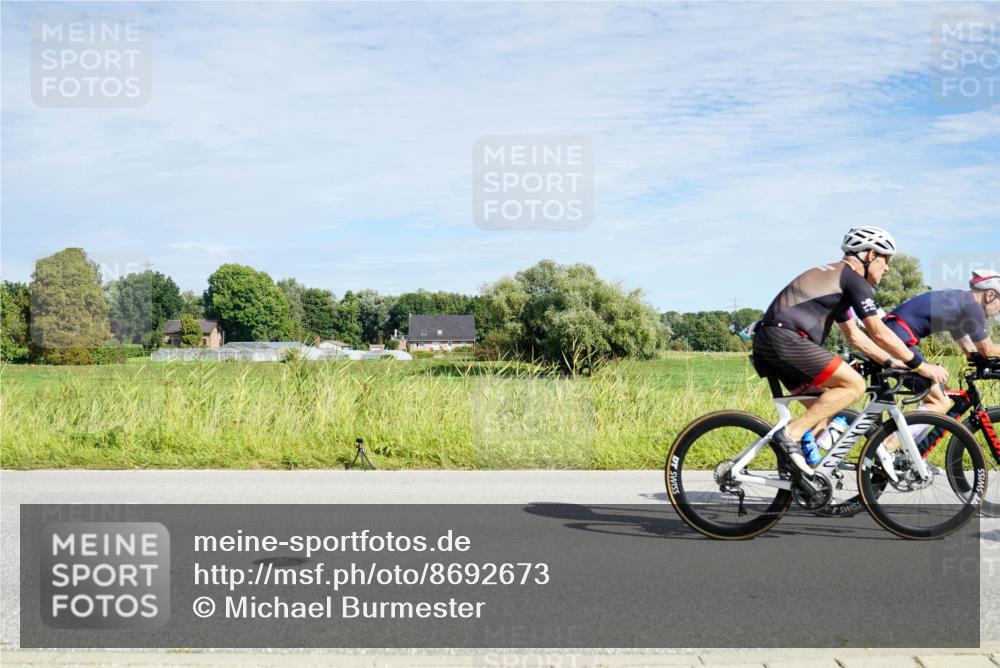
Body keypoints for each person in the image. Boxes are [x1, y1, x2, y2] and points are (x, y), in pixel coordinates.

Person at [752, 226, 949, 481]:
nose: (887, 267)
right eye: (885, 259)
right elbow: (877, 331)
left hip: (774, 341)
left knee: (826, 409)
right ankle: (789, 436)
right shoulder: (853, 279)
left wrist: (891, 361)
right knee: (854, 385)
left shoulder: (838, 281)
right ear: (869, 255)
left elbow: (855, 336)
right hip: (786, 339)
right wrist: (920, 366)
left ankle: (807, 479)